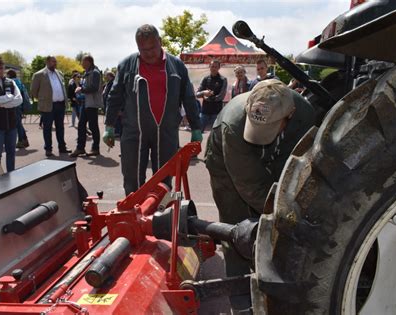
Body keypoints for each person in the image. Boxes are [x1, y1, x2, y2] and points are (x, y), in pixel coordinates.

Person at [205, 79, 316, 312]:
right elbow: (250, 186)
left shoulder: (305, 115)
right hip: (227, 164)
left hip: (275, 159)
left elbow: (298, 170)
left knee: (278, 219)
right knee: (236, 229)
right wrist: (283, 215)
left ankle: (273, 279)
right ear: (249, 108)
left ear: (290, 115)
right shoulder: (234, 125)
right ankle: (241, 301)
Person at [103, 24, 202, 195]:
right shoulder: (126, 65)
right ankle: (132, 217)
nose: (148, 53)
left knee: (164, 180)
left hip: (166, 133)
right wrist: (109, 126)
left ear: (160, 41)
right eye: (143, 49)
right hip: (134, 132)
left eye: (152, 48)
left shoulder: (177, 66)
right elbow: (114, 96)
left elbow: (188, 97)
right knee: (132, 179)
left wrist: (196, 128)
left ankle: (160, 218)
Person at [31, 56, 71, 157]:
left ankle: (62, 147)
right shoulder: (39, 75)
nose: (55, 63)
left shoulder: (59, 73)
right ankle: (48, 149)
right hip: (48, 106)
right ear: (47, 62)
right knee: (47, 128)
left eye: (56, 62)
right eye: (53, 62)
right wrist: (43, 99)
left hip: (60, 104)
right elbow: (33, 91)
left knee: (60, 127)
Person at [70, 55, 103, 157]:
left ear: (88, 62)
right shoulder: (86, 73)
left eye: (83, 62)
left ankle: (95, 148)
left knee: (93, 127)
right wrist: (81, 88)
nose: (81, 64)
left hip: (92, 104)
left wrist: (81, 89)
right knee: (81, 126)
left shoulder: (95, 73)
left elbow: (94, 88)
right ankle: (80, 148)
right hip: (85, 103)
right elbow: (86, 86)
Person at [196, 60, 227, 133]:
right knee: (198, 132)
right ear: (209, 67)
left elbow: (221, 96)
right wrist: (204, 92)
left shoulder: (223, 80)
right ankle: (195, 144)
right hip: (204, 111)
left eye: (216, 67)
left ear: (219, 68)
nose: (214, 68)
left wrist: (208, 98)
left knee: (216, 135)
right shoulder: (205, 79)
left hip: (216, 112)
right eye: (212, 66)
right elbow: (197, 94)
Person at [7, 69, 30, 149]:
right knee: (18, 123)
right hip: (19, 105)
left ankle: (21, 140)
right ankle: (24, 139)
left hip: (14, 105)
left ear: (9, 75)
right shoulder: (19, 81)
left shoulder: (11, 82)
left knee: (17, 124)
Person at [102, 71, 122, 136]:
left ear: (110, 76)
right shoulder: (108, 83)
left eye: (106, 76)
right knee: (113, 117)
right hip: (108, 102)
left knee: (116, 117)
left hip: (113, 103)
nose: (105, 77)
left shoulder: (113, 82)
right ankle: (116, 131)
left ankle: (117, 132)